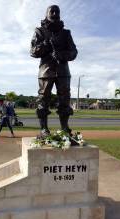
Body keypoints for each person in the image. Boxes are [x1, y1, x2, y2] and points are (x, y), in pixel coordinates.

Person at [30, 5, 78, 137]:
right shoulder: (39, 31)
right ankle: (44, 129)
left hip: (63, 72)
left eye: (57, 11)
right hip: (46, 72)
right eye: (52, 11)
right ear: (46, 14)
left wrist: (62, 55)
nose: (55, 13)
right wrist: (45, 44)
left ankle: (64, 128)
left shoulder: (66, 33)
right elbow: (33, 51)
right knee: (43, 99)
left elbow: (73, 52)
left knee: (64, 100)